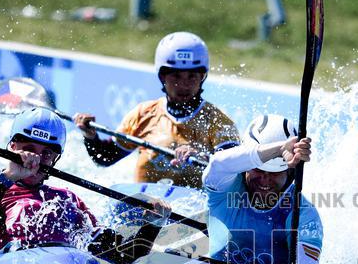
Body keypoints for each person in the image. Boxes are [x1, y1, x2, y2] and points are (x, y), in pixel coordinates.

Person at [0, 107, 169, 264]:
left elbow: (121, 259)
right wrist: (8, 177)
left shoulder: (66, 200)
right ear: (12, 146)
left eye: (46, 154)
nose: (36, 159)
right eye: (28, 148)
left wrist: (152, 224)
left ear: (56, 159)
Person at [201, 114, 321, 264]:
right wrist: (279, 149)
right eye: (257, 169)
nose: (264, 179)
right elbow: (217, 163)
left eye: (275, 172)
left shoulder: (304, 214)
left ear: (290, 173)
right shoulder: (224, 187)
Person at [74, 31, 241, 188]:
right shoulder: (143, 114)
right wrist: (90, 136)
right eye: (176, 76)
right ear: (162, 77)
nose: (184, 85)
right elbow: (105, 158)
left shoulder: (219, 122)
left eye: (192, 76)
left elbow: (234, 173)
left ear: (202, 77)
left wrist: (202, 157)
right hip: (144, 209)